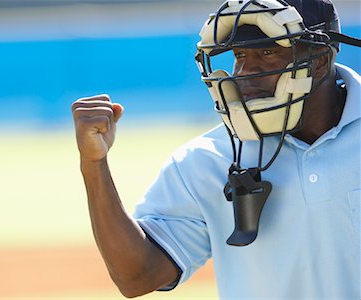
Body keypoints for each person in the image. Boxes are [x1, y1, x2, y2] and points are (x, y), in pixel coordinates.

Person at [71, 0, 360, 298]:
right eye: (239, 55)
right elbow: (137, 278)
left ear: (320, 61)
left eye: (268, 51)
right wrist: (94, 165)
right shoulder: (207, 158)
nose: (246, 70)